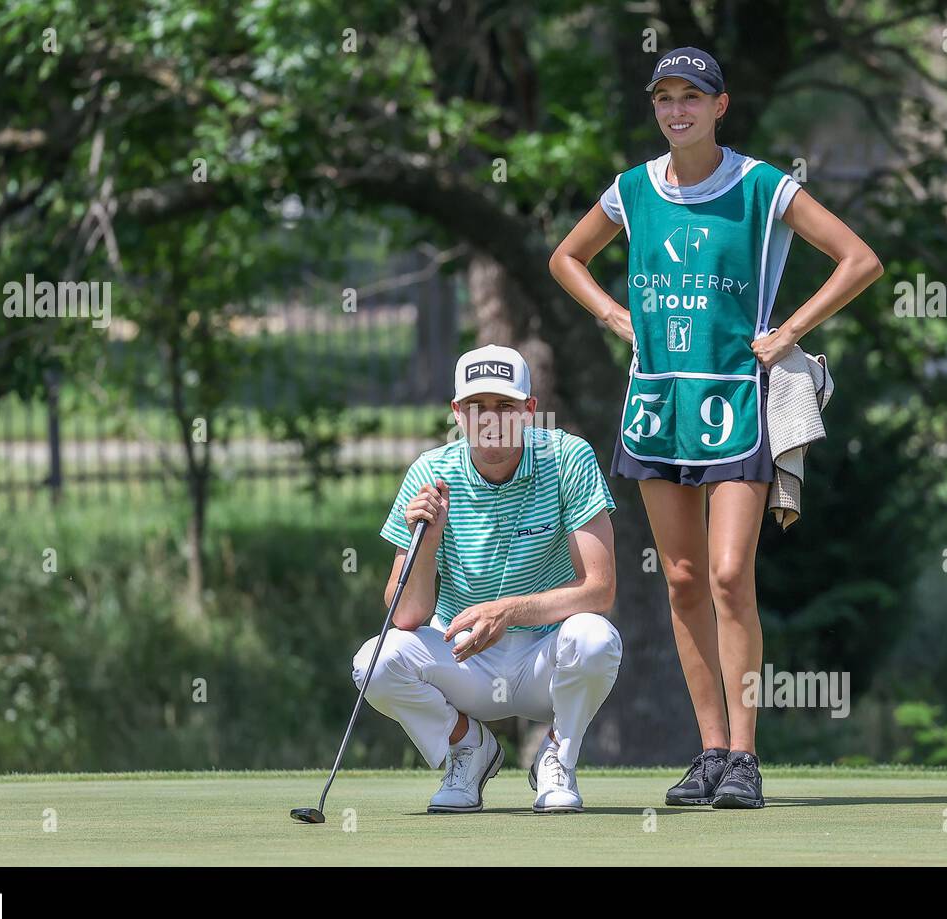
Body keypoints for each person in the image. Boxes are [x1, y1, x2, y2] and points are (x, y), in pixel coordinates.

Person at [549, 47, 883, 809]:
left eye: (691, 98)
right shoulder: (632, 190)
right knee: (682, 579)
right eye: (664, 98)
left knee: (731, 575)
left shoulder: (762, 185)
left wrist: (789, 328)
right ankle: (707, 753)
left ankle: (745, 755)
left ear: (720, 105)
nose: (676, 111)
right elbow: (566, 258)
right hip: (658, 405)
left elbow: (858, 260)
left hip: (737, 401)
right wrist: (612, 315)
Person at [352, 344, 622, 813]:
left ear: (530, 410)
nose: (491, 420)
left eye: (505, 406)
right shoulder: (430, 473)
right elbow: (406, 615)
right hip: (463, 658)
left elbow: (600, 590)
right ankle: (469, 748)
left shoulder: (567, 457)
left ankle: (558, 753)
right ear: (457, 413)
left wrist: (511, 610)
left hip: (546, 655)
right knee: (375, 661)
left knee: (597, 638)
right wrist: (428, 541)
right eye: (477, 407)